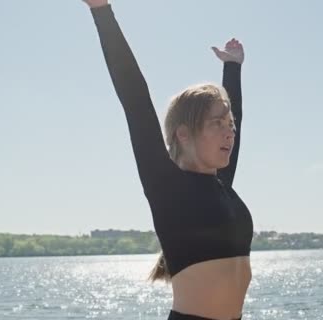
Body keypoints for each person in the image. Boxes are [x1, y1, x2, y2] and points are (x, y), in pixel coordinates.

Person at [82, 1, 253, 319]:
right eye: (218, 125)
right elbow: (135, 98)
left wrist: (232, 67)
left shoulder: (221, 186)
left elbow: (235, 119)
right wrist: (101, 10)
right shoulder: (168, 186)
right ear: (184, 134)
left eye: (230, 128)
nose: (229, 134)